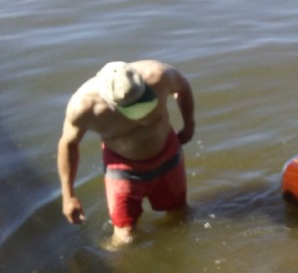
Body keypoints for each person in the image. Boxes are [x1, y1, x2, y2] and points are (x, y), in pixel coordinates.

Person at [57, 60, 195, 247]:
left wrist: (189, 125)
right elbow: (68, 144)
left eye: (142, 102)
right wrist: (68, 195)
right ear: (110, 101)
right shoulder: (84, 107)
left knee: (179, 215)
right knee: (125, 237)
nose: (142, 116)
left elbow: (183, 88)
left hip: (167, 155)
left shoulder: (160, 75)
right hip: (123, 169)